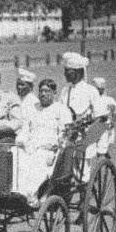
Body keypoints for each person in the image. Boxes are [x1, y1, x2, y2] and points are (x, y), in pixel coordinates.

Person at [14, 79, 73, 207]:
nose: (43, 94)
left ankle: (31, 195)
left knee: (38, 159)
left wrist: (58, 144)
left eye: (47, 91)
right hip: (30, 146)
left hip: (48, 149)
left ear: (54, 93)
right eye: (41, 91)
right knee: (15, 154)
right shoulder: (33, 109)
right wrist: (21, 142)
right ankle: (15, 192)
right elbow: (25, 129)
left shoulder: (61, 110)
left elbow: (65, 132)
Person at [58, 52, 100, 121]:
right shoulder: (65, 90)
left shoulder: (91, 91)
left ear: (78, 72)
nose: (65, 74)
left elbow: (100, 118)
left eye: (68, 71)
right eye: (65, 71)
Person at [92, 77, 116, 157]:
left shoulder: (108, 100)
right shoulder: (91, 98)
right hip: (91, 127)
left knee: (101, 152)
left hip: (103, 128)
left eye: (99, 89)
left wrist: (113, 122)